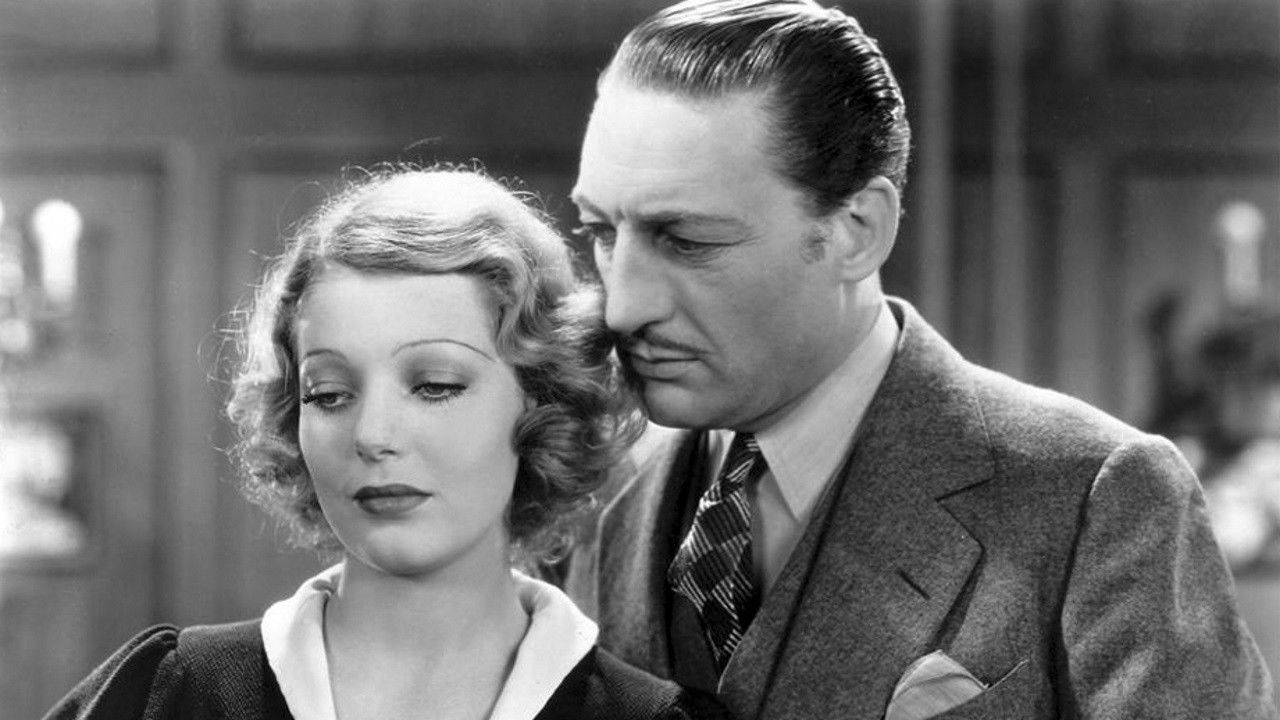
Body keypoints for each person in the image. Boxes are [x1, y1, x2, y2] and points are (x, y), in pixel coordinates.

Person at [562, 1, 1279, 719]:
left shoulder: (1096, 498)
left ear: (858, 230)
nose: (622, 306)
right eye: (601, 232)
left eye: (686, 241)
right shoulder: (597, 488)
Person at [44, 167, 726, 720]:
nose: (371, 436)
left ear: (542, 403)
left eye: (434, 385)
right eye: (329, 394)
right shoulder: (171, 697)